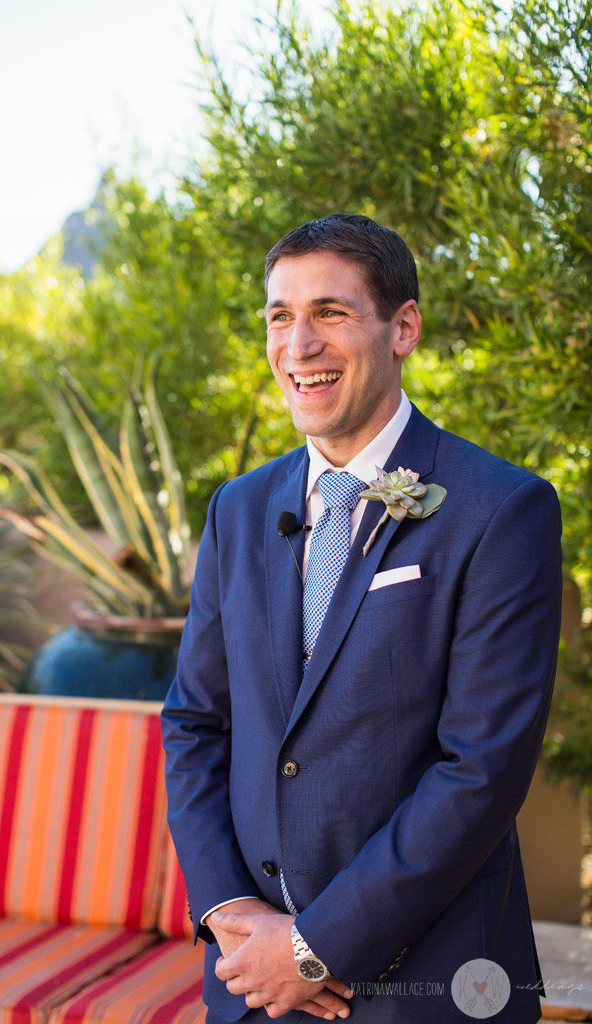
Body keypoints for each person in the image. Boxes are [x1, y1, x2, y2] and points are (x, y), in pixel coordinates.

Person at [161, 214, 562, 1023]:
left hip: (430, 982)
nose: (298, 344)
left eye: (331, 313)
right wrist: (230, 913)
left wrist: (316, 947)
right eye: (280, 316)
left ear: (402, 327)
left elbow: (480, 769)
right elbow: (195, 723)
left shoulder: (503, 509)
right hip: (251, 985)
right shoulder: (237, 510)